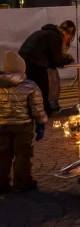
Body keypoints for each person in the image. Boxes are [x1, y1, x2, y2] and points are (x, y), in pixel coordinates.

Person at [0, 51, 48, 193]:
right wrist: (41, 123)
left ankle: (1, 183)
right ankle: (22, 182)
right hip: (23, 125)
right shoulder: (30, 86)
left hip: (1, 125)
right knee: (23, 154)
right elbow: (37, 108)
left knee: (2, 154)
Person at [18, 21, 75, 117]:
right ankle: (44, 113)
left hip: (24, 60)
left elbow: (50, 56)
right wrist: (68, 58)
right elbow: (56, 58)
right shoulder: (55, 36)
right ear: (65, 33)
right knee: (42, 88)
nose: (69, 39)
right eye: (69, 36)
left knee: (32, 88)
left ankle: (36, 111)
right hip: (34, 62)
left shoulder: (47, 33)